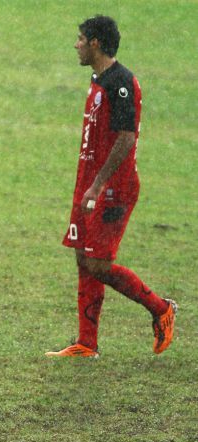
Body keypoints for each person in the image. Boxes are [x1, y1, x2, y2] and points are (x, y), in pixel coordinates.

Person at [47, 16, 177, 358]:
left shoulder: (120, 83)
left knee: (99, 264)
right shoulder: (98, 79)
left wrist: (98, 184)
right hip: (90, 185)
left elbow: (126, 138)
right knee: (83, 257)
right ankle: (86, 343)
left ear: (95, 43)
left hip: (112, 189)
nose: (76, 45)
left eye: (80, 39)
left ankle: (161, 308)